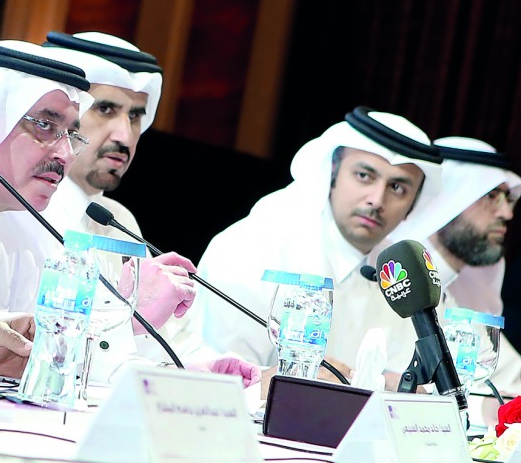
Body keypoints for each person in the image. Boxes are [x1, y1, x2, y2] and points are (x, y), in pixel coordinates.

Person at [0, 39, 257, 384]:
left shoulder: (22, 233)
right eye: (44, 126)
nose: (63, 153)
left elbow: (43, 358)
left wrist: (179, 374)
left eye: (71, 133)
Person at [39, 30, 254, 379]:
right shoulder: (25, 208)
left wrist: (205, 370)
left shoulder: (118, 219)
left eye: (135, 117)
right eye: (105, 109)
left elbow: (163, 339)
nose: (124, 136)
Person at [194, 107, 443, 382]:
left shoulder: (403, 275)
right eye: (364, 176)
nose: (376, 200)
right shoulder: (256, 245)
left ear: (413, 205)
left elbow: (413, 384)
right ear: (333, 172)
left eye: (397, 188)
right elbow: (223, 377)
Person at [390, 136, 521, 394]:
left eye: (507, 198)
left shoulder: (462, 295)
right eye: (491, 196)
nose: (507, 214)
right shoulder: (395, 284)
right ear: (448, 200)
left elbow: (510, 377)